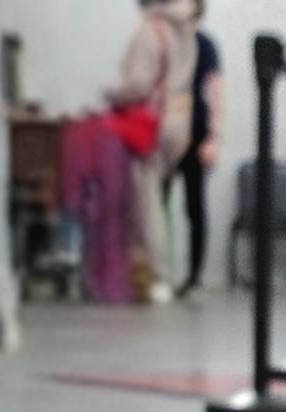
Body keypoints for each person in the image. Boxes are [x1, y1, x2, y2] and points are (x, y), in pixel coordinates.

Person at [108, 0, 196, 304]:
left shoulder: (150, 31)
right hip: (177, 123)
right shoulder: (186, 32)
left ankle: (155, 276)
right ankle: (149, 273)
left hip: (150, 123)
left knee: (145, 204)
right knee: (155, 199)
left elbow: (139, 84)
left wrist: (112, 94)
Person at [176, 0, 223, 299]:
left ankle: (194, 275)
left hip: (195, 133)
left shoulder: (204, 44)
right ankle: (155, 271)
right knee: (156, 204)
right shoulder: (161, 42)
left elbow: (216, 91)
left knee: (194, 207)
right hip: (164, 134)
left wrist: (213, 139)